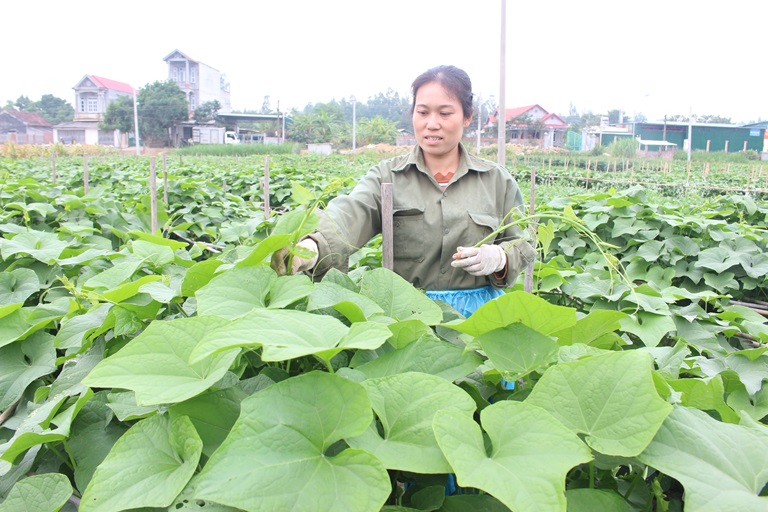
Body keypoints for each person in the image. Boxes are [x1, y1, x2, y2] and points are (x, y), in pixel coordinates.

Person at [272, 65, 535, 318]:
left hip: (478, 320)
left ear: (466, 117)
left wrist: (501, 258)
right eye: (423, 112)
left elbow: (522, 242)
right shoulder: (387, 176)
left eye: (445, 113)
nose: (432, 124)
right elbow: (351, 214)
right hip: (406, 316)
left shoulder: (496, 181)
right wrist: (312, 246)